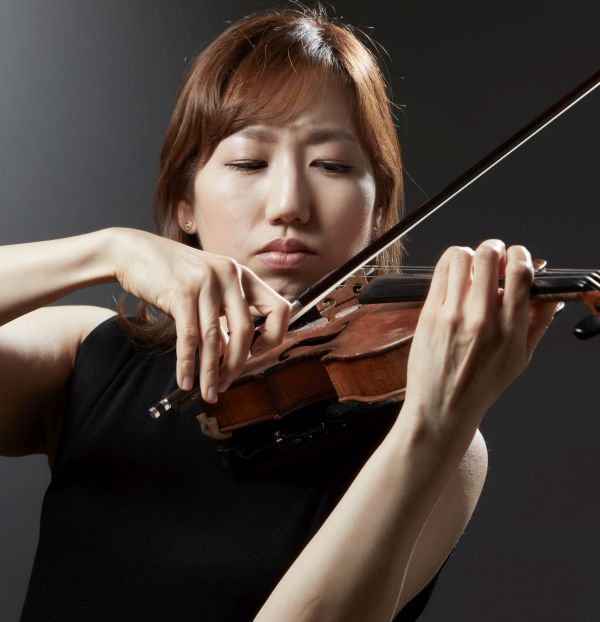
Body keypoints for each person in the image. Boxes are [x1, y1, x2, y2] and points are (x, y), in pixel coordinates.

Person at [0, 6, 558, 621]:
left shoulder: (437, 441)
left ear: (378, 212)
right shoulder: (90, 356)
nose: (290, 203)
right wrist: (105, 250)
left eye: (333, 165)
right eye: (248, 163)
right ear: (185, 202)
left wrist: (433, 423)